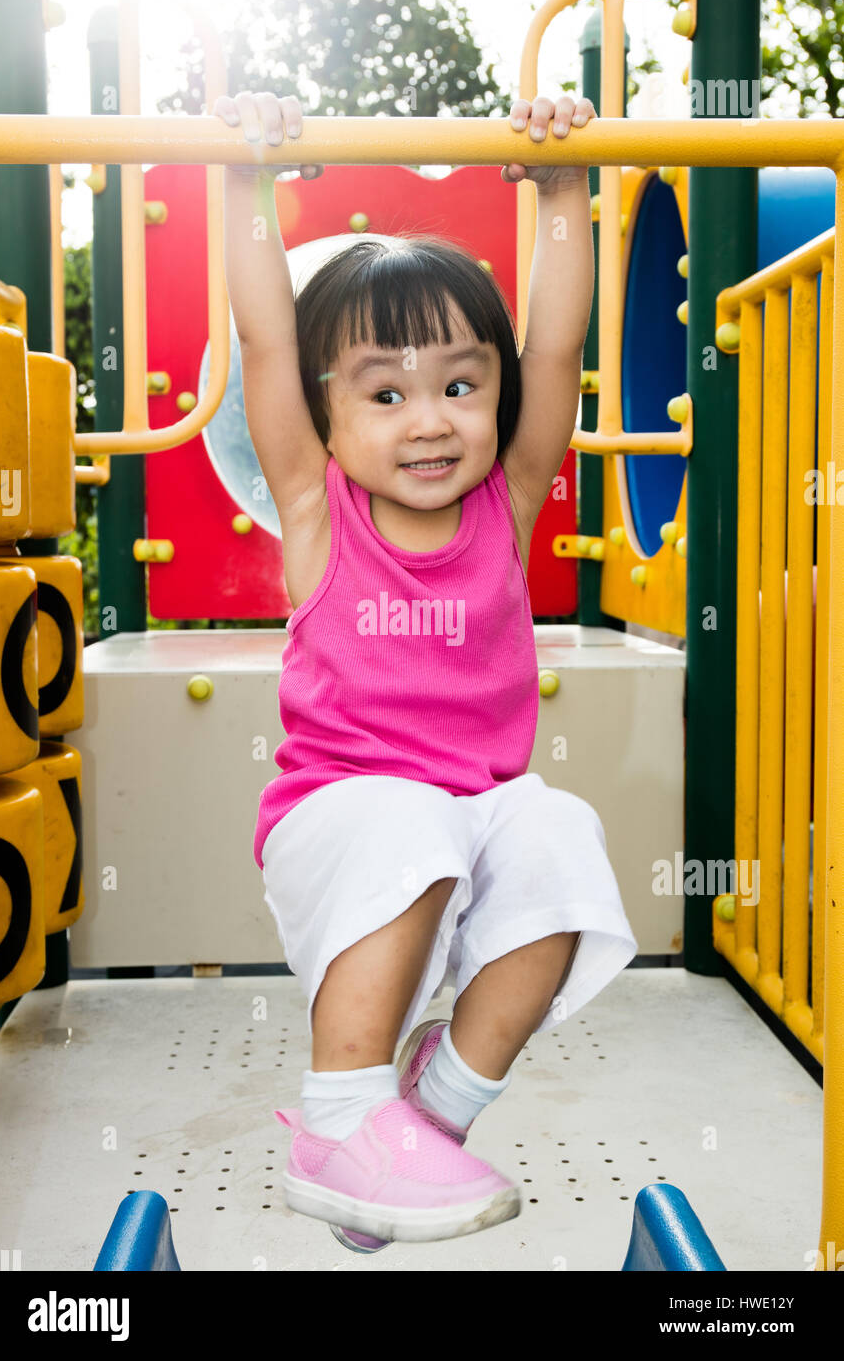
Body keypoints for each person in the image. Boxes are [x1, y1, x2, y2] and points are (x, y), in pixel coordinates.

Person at [213, 87, 638, 1250]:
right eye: (384, 394)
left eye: (459, 384)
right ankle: (336, 1120)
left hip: (476, 820)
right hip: (343, 830)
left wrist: (562, 190)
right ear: (324, 418)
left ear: (496, 397)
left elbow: (554, 340)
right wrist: (234, 171)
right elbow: (260, 335)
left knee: (562, 840)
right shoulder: (316, 508)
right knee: (407, 818)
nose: (430, 420)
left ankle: (430, 1106)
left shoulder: (506, 500)